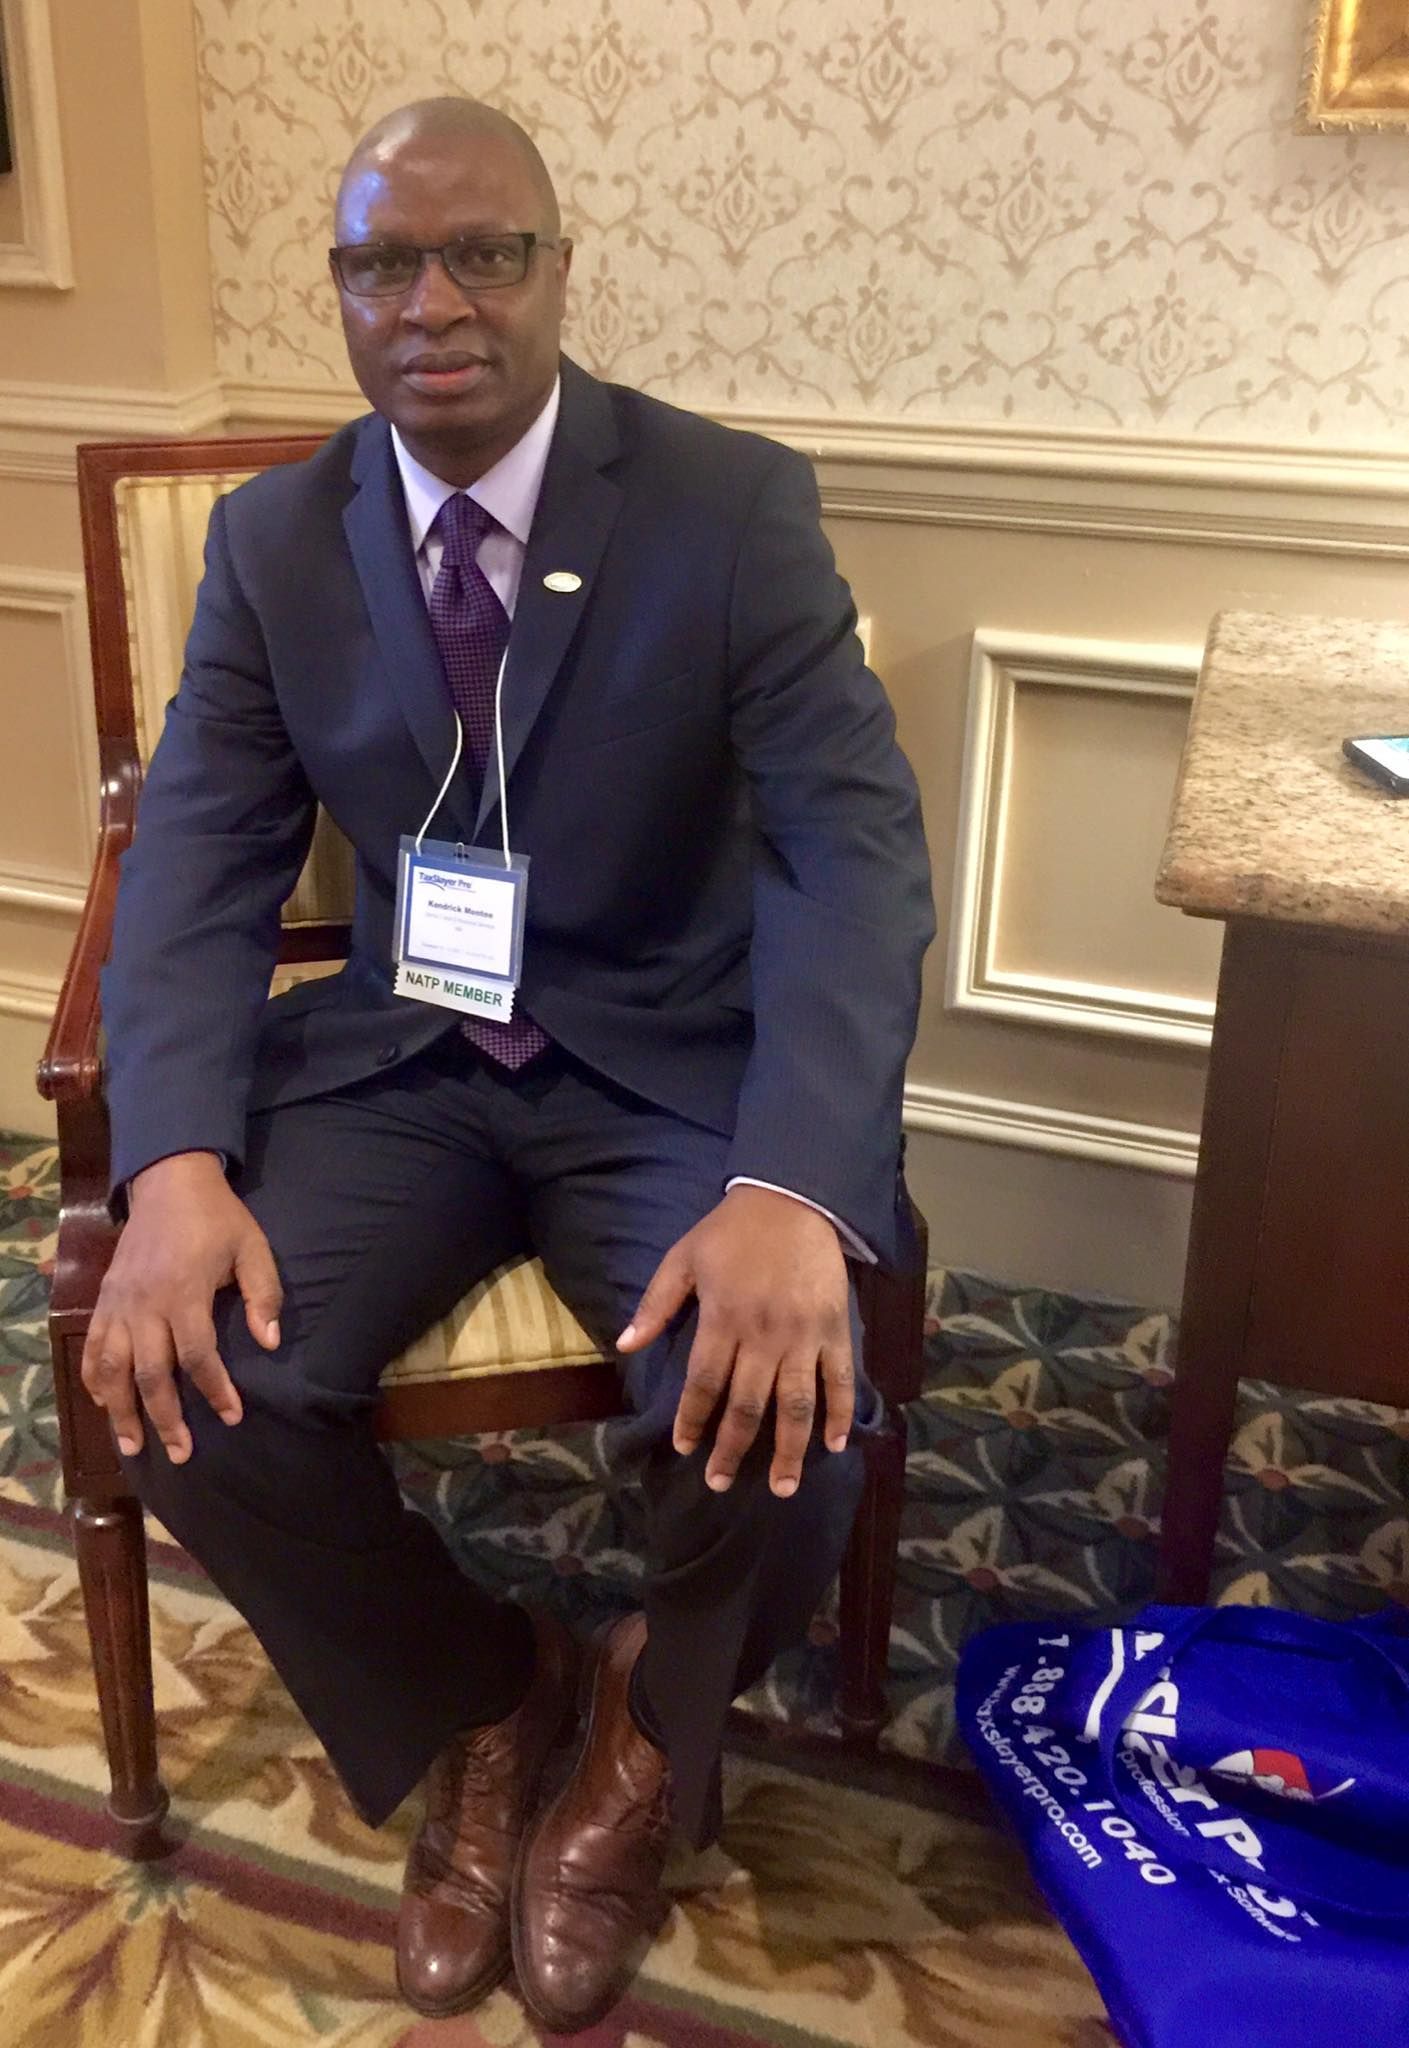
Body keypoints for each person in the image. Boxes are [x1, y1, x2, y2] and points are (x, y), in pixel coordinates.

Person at [83, 97, 934, 2030]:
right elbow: (201, 854)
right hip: (410, 1050)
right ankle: (487, 1692)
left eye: (486, 253)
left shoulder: (730, 506)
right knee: (163, 1376)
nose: (434, 302)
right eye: (385, 264)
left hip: (664, 1054)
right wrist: (175, 1169)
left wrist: (794, 1185)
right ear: (343, 296)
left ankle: (641, 1732)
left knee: (783, 1386)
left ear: (561, 269)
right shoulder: (278, 538)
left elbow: (847, 853)